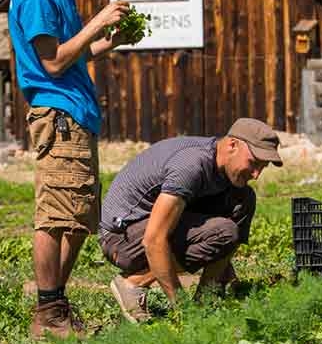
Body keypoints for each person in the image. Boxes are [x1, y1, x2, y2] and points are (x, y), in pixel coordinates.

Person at [9, 0, 140, 339]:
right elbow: (51, 63)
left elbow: (75, 53)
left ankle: (55, 305)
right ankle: (48, 311)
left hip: (77, 113)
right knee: (56, 217)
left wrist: (112, 41)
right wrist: (99, 19)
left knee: (80, 215)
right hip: (58, 113)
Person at [99, 118, 282, 323]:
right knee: (224, 232)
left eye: (262, 167)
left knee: (243, 199)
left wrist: (221, 266)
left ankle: (207, 299)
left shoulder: (218, 163)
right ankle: (133, 283)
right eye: (253, 163)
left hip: (147, 227)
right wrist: (183, 309)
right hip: (121, 238)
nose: (256, 174)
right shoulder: (192, 165)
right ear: (232, 145)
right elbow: (153, 240)